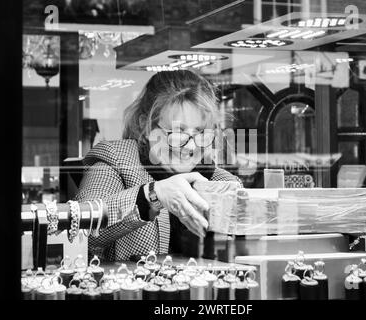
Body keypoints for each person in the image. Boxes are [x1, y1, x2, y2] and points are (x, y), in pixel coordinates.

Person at [75, 70, 242, 261]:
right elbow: (79, 232)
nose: (191, 145)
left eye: (200, 132)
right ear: (144, 125)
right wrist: (153, 195)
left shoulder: (222, 181)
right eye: (177, 131)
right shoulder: (116, 161)